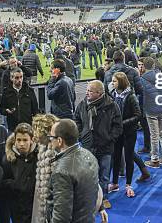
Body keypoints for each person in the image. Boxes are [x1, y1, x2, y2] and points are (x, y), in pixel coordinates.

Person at [75, 80, 126, 209]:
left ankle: (103, 199)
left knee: (104, 175)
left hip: (105, 147)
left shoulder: (112, 106)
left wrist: (109, 138)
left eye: (90, 91)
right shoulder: (82, 104)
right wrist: (82, 134)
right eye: (87, 90)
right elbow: (77, 120)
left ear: (99, 93)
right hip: (88, 145)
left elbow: (118, 126)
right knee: (88, 174)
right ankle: (89, 199)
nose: (87, 93)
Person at [46, 119, 100, 223]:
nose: (50, 140)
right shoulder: (89, 155)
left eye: (51, 137)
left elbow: (61, 217)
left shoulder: (61, 171)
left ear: (60, 141)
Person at [110, 72, 141, 198]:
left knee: (128, 158)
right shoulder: (113, 94)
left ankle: (128, 185)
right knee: (116, 157)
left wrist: (122, 123)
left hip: (129, 132)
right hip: (117, 132)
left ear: (121, 82)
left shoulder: (131, 96)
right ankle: (115, 183)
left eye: (115, 81)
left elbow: (138, 114)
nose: (112, 83)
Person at [1, 123, 39, 223]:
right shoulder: (8, 159)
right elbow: (4, 182)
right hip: (17, 207)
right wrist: (16, 185)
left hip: (35, 206)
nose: (21, 144)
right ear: (15, 140)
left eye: (25, 140)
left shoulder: (39, 157)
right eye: (19, 140)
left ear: (31, 140)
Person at [140, 57, 162, 168]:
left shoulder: (142, 79)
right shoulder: (161, 76)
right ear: (153, 65)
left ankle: (155, 159)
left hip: (151, 109)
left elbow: (142, 95)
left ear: (144, 66)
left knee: (154, 135)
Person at [31, 114, 59, 223]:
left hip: (55, 203)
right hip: (45, 201)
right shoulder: (42, 147)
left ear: (47, 133)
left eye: (37, 131)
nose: (34, 136)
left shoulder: (58, 151)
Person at [0, 67, 38, 131]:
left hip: (27, 126)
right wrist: (6, 111)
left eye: (21, 77)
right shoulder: (6, 92)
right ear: (11, 78)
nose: (19, 80)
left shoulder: (29, 91)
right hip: (12, 127)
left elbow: (35, 110)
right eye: (17, 78)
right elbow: (1, 108)